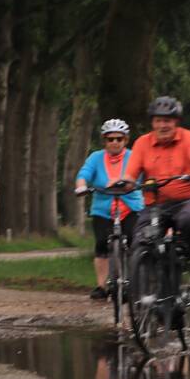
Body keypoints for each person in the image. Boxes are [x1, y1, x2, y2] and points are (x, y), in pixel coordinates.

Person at [124, 96, 190, 288]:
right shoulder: (142, 143)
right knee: (140, 239)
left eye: (167, 120)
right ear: (152, 123)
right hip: (155, 204)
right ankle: (145, 288)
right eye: (158, 120)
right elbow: (130, 174)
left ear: (176, 122)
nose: (162, 125)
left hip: (187, 200)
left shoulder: (189, 138)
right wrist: (125, 183)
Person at [75, 118, 144, 300]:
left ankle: (132, 282)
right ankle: (101, 286)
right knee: (101, 243)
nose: (114, 142)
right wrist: (81, 186)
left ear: (125, 140)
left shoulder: (133, 156)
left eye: (119, 139)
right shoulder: (95, 158)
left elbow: (141, 175)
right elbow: (84, 174)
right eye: (110, 139)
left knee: (134, 242)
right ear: (104, 140)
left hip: (130, 206)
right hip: (103, 209)